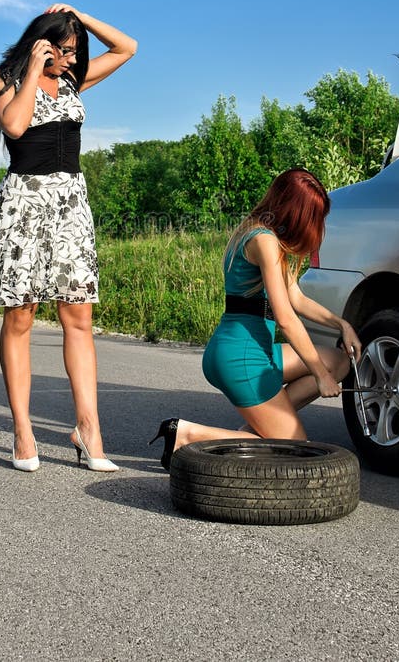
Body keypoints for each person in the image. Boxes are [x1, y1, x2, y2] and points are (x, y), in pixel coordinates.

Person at [0, 3, 137, 472]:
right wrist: (31, 68)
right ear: (40, 44)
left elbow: (127, 47)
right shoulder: (2, 82)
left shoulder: (72, 80)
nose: (70, 60)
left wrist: (81, 18)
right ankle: (22, 431)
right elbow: (15, 125)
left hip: (70, 206)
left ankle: (89, 430)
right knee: (21, 318)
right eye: (62, 51)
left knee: (79, 318)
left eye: (75, 52)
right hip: (23, 204)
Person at [149, 168, 362, 470]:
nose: (316, 226)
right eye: (313, 217)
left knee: (337, 361)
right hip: (241, 357)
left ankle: (262, 429)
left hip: (254, 350)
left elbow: (297, 299)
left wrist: (343, 325)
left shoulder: (263, 232)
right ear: (295, 211)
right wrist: (319, 376)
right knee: (295, 449)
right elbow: (286, 318)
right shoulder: (264, 240)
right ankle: (187, 436)